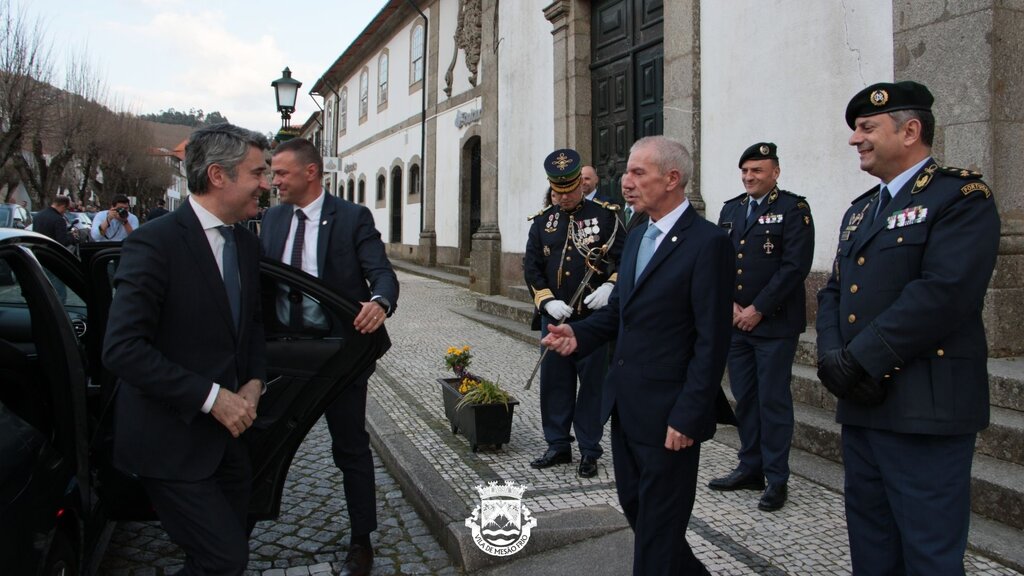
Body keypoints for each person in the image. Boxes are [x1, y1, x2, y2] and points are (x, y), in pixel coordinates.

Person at [816, 81, 1000, 575]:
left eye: (867, 127)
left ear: (911, 130)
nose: (856, 139)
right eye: (856, 129)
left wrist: (859, 360)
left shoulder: (961, 196)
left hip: (926, 407)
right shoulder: (861, 210)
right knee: (871, 547)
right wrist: (831, 359)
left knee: (929, 554)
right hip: (863, 405)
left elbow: (945, 292)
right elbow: (835, 290)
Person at [543, 136, 734, 575]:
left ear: (672, 179)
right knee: (638, 510)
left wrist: (689, 414)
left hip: (670, 415)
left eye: (637, 173)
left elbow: (712, 341)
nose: (625, 182)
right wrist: (577, 333)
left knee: (657, 532)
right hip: (626, 407)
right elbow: (619, 316)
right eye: (627, 172)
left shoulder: (708, 243)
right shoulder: (638, 234)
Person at [102, 123, 270, 575]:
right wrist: (214, 398)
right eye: (257, 172)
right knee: (223, 559)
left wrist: (254, 381)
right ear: (219, 175)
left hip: (228, 446)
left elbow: (251, 325)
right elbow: (122, 349)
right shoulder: (154, 243)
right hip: (170, 441)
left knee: (221, 554)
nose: (267, 183)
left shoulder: (246, 244)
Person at [262, 138, 398, 576]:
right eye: (272, 172)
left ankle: (362, 539)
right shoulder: (272, 218)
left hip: (336, 356)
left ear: (310, 173)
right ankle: (242, 522)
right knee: (261, 439)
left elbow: (380, 271)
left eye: (281, 173)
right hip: (281, 354)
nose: (274, 180)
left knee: (350, 447)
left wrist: (379, 302)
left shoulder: (352, 218)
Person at [708, 143, 814, 511]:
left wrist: (758, 309)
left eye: (757, 170)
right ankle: (749, 467)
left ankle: (777, 478)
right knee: (746, 399)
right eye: (745, 171)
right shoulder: (731, 208)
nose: (750, 177)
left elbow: (794, 267)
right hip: (737, 325)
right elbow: (720, 262)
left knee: (773, 401)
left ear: (775, 173)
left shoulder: (793, 208)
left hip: (774, 326)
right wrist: (731, 306)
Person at [524, 148, 623, 478]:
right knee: (554, 383)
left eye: (567, 192)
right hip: (555, 319)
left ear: (581, 184)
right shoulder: (542, 221)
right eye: (557, 192)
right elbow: (533, 266)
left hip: (592, 321)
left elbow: (623, 260)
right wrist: (545, 300)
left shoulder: (606, 215)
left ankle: (590, 449)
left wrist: (611, 286)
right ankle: (557, 444)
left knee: (593, 386)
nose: (562, 198)